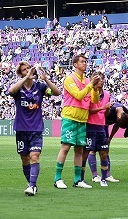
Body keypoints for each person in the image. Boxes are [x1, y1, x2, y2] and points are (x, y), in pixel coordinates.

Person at [8, 61, 61, 196]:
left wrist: (46, 79)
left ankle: (31, 186)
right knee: (24, 159)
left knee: (34, 156)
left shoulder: (40, 87)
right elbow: (11, 91)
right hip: (21, 129)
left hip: (36, 128)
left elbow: (57, 93)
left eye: (29, 69)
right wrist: (26, 77)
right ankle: (32, 184)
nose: (29, 71)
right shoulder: (18, 88)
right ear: (21, 74)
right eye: (25, 70)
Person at [54, 54, 100, 189]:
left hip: (82, 118)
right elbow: (79, 96)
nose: (85, 64)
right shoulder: (69, 79)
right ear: (75, 64)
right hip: (70, 117)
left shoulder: (87, 81)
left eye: (86, 61)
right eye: (82, 61)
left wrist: (96, 89)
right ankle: (57, 179)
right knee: (66, 147)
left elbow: (95, 101)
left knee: (79, 150)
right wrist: (91, 85)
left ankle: (77, 179)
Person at [82, 72, 116, 187]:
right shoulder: (89, 93)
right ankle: (89, 177)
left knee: (103, 153)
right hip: (90, 125)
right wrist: (103, 107)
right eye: (99, 79)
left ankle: (104, 178)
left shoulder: (107, 94)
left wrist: (107, 109)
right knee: (87, 152)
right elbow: (88, 111)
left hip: (101, 126)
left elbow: (105, 113)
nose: (102, 80)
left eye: (103, 79)